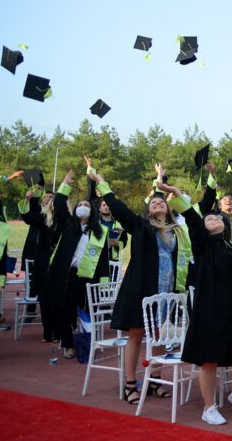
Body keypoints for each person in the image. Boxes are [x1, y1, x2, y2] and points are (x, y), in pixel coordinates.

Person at [155, 178, 232, 426]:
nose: (216, 220)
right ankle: (209, 407)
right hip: (210, 310)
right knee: (209, 358)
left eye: (218, 218)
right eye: (210, 219)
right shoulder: (203, 246)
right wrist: (177, 194)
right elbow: (192, 220)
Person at [94, 159, 192, 406]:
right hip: (141, 289)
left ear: (169, 210)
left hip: (165, 290)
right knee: (136, 334)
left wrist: (161, 179)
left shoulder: (174, 231)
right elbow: (118, 207)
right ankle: (130, 383)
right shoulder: (139, 226)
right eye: (154, 202)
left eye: (161, 202)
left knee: (159, 333)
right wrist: (101, 183)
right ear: (148, 211)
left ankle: (155, 379)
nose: (158, 202)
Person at [41, 168, 111, 359]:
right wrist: (65, 184)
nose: (82, 206)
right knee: (67, 310)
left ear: (92, 210)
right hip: (69, 276)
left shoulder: (99, 231)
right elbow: (59, 203)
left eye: (86, 204)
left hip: (89, 277)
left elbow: (104, 258)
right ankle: (68, 344)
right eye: (79, 204)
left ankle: (88, 344)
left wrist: (104, 281)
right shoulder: (68, 225)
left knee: (88, 312)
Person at [19, 186, 57, 341]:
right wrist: (27, 199)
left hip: (59, 266)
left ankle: (59, 332)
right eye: (47, 197)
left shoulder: (65, 219)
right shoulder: (41, 217)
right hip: (42, 266)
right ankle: (48, 334)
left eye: (53, 198)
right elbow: (27, 216)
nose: (49, 200)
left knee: (58, 302)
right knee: (45, 300)